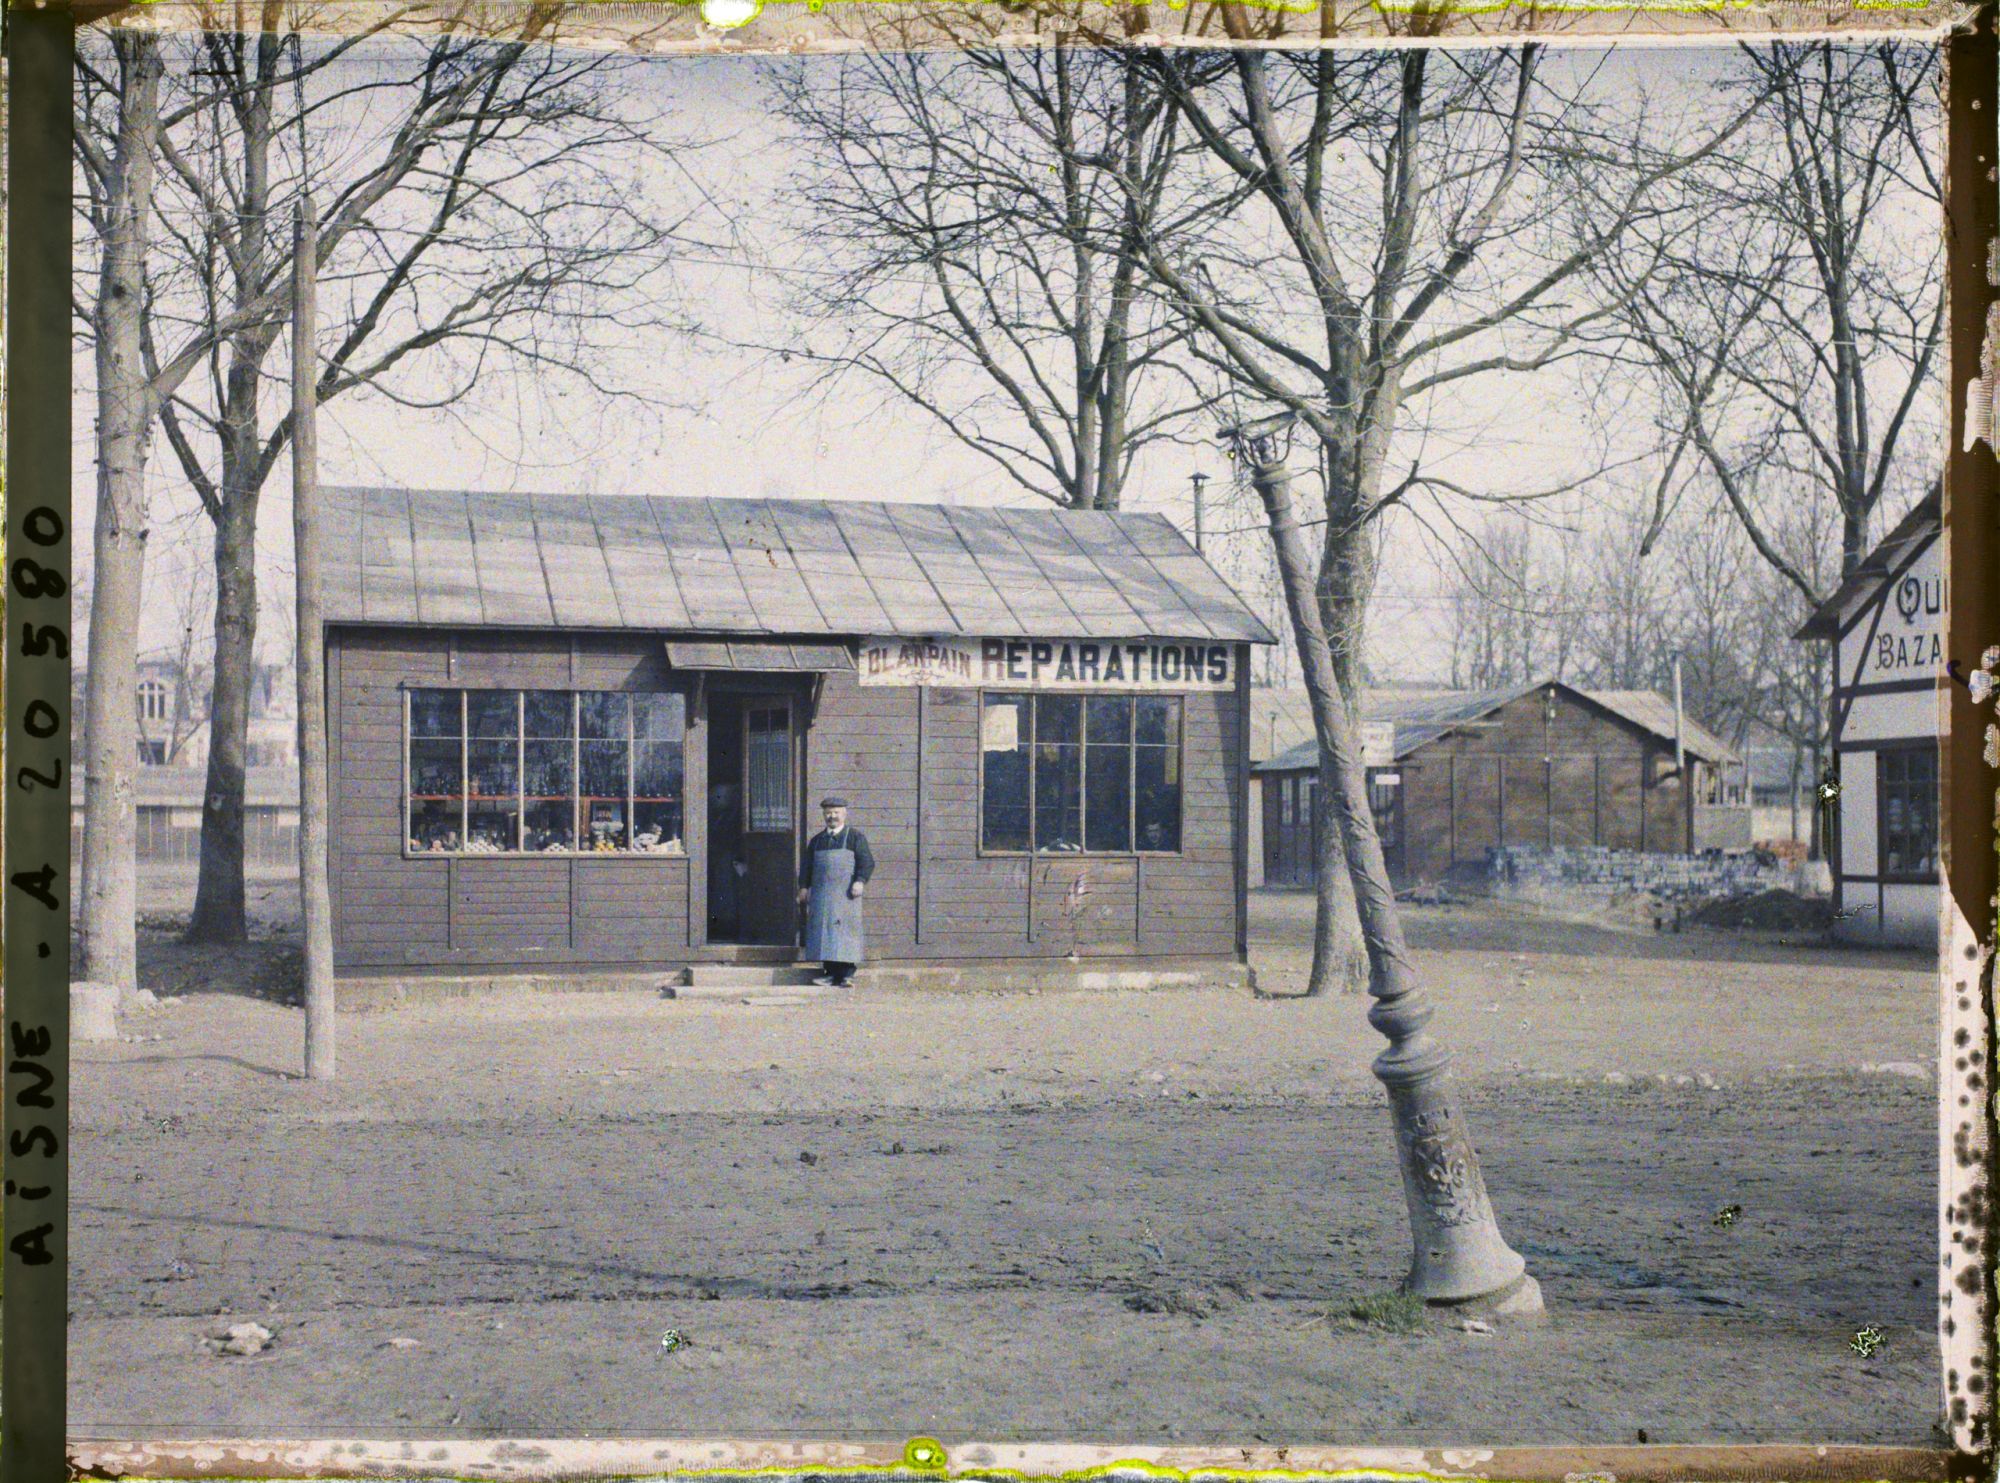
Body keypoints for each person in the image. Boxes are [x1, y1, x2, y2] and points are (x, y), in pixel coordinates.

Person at [798, 796, 873, 987]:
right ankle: (830, 974)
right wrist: (803, 888)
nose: (832, 816)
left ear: (844, 814)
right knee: (825, 932)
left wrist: (860, 881)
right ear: (824, 815)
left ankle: (846, 976)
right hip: (822, 895)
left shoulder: (855, 837)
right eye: (828, 813)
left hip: (846, 894)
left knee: (845, 932)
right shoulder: (817, 841)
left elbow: (867, 862)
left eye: (836, 813)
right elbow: (806, 867)